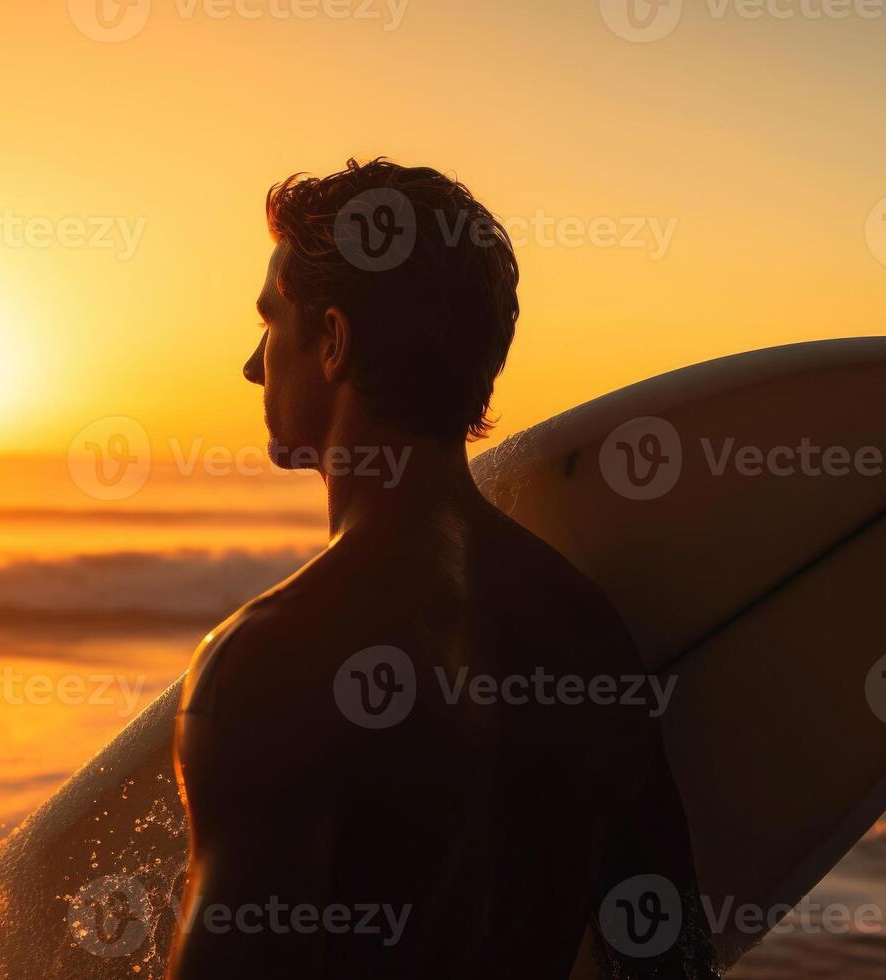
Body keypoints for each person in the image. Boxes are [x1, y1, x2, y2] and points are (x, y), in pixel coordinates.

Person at [168, 158, 715, 978]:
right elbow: (672, 964)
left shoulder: (269, 660)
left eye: (270, 322)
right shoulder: (589, 636)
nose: (253, 364)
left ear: (331, 343)